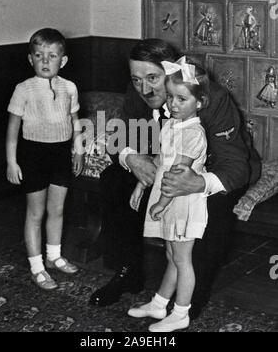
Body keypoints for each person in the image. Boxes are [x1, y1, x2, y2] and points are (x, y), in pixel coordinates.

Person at [89, 38, 261, 320]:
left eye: (153, 78)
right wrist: (133, 159)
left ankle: (190, 300)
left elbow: (235, 166)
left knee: (211, 208)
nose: (144, 89)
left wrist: (200, 183)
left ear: (171, 74)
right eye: (136, 80)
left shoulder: (211, 98)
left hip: (217, 171)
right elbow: (118, 139)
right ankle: (128, 272)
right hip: (165, 166)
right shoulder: (138, 94)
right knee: (114, 178)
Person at [128, 58, 209, 332]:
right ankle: (160, 302)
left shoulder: (193, 133)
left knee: (183, 259)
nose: (174, 104)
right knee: (172, 255)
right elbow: (161, 163)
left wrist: (161, 203)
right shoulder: (172, 125)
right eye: (171, 97)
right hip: (166, 196)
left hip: (181, 201)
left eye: (182, 99)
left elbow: (178, 174)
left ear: (199, 103)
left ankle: (181, 312)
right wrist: (142, 184)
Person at [6, 28, 84, 290]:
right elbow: (12, 130)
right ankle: (37, 266)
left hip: (60, 153)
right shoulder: (23, 89)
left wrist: (79, 149)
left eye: (52, 56)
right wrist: (12, 161)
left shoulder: (69, 88)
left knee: (58, 209)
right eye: (39, 55)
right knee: (36, 212)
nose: (45, 61)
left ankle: (53, 256)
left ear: (62, 61)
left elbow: (75, 122)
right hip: (33, 155)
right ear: (31, 59)